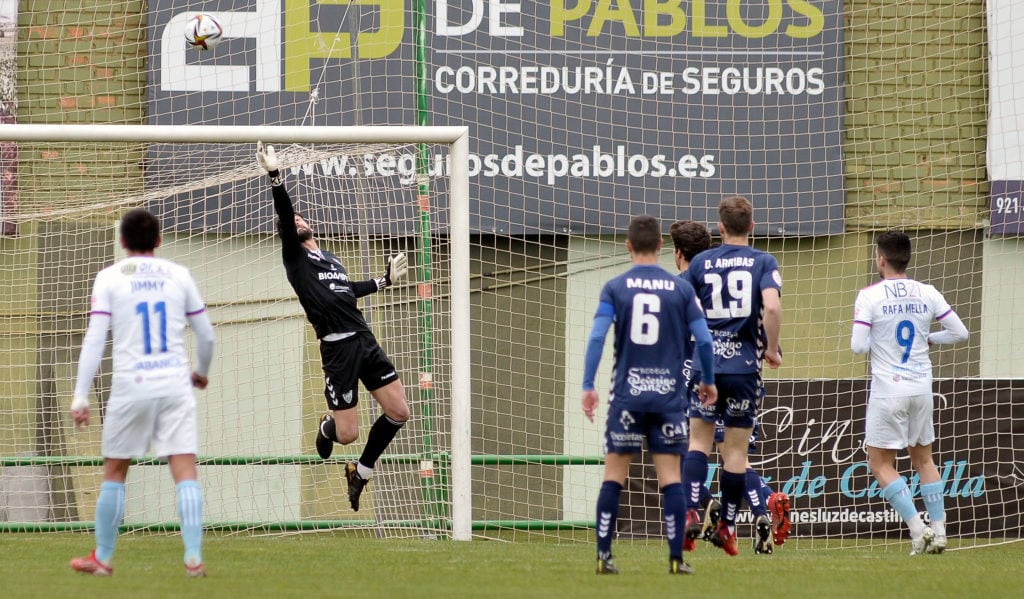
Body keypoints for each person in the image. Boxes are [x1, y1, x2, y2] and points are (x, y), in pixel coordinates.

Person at [256, 142, 411, 512]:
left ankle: (361, 470)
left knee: (400, 412)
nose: (297, 220)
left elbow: (347, 292)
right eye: (291, 222)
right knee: (347, 434)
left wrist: (383, 281)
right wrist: (276, 178)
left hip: (364, 340)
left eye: (299, 218)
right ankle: (328, 426)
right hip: (338, 351)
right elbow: (284, 209)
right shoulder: (295, 260)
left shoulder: (331, 259)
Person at [69, 208, 215, 577]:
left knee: (115, 471)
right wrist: (200, 373)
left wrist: (81, 396)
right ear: (159, 240)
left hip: (131, 386)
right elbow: (206, 334)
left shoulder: (109, 278)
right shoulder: (179, 275)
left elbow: (95, 338)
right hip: (174, 384)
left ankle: (102, 558)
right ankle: (193, 557)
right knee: (185, 470)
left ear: (121, 241)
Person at [581, 215, 717, 575]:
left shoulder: (615, 287)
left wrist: (588, 384)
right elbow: (704, 339)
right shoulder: (681, 290)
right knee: (670, 476)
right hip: (667, 398)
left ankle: (604, 556)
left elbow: (596, 337)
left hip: (628, 395)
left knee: (614, 475)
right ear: (661, 247)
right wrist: (708, 380)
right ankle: (675, 559)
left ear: (628, 246)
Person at [670, 219, 791, 554]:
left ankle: (704, 509)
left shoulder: (687, 282)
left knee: (692, 448)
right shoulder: (748, 268)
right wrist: (770, 346)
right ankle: (761, 505)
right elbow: (763, 310)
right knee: (733, 454)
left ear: (679, 253)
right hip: (741, 372)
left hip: (699, 378)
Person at [851, 230, 968, 555]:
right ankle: (940, 532)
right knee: (924, 459)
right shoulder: (926, 292)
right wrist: (930, 339)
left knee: (880, 463)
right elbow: (960, 332)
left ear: (881, 259)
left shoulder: (870, 295)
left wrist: (880, 339)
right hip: (921, 386)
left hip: (889, 389)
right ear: (907, 258)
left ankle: (919, 530)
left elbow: (859, 346)